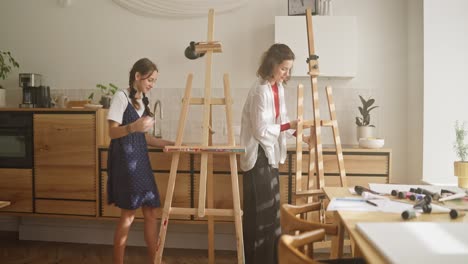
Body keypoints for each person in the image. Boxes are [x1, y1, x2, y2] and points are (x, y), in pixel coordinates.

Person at [107, 58, 173, 264]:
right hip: (126, 162)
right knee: (129, 214)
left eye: (154, 81)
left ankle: (156, 260)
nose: (152, 84)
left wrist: (170, 143)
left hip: (141, 161)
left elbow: (146, 138)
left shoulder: (143, 100)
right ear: (137, 76)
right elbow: (111, 131)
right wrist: (133, 127)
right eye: (150, 80)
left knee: (151, 211)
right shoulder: (121, 97)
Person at [240, 43, 299, 264]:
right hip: (258, 157)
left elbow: (282, 121)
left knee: (271, 213)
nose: (287, 73)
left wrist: (300, 135)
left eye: (289, 69)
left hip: (270, 155)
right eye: (284, 68)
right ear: (272, 65)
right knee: (260, 216)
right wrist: (287, 126)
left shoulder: (278, 88)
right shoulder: (260, 90)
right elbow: (260, 130)